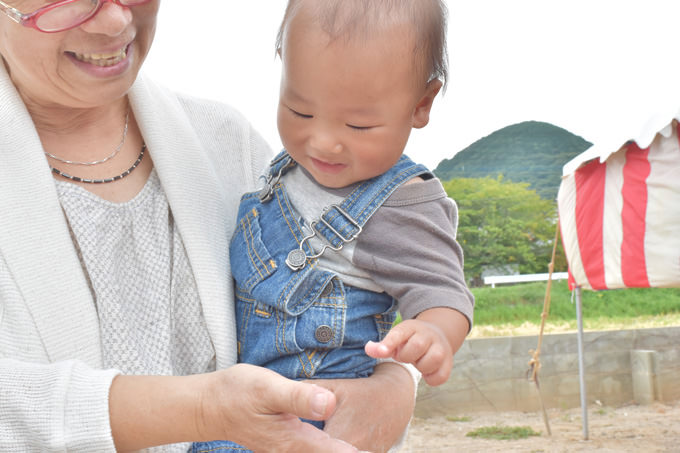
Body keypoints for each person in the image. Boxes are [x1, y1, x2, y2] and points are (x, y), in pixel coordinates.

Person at [0, 1, 420, 451]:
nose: (115, 20)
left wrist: (395, 384)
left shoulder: (227, 140)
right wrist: (205, 411)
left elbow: (344, 298)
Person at [193, 0, 474, 451]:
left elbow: (443, 292)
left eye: (359, 124)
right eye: (300, 111)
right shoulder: (284, 169)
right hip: (237, 410)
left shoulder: (401, 204)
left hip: (315, 423)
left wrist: (434, 333)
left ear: (420, 105)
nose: (322, 141)